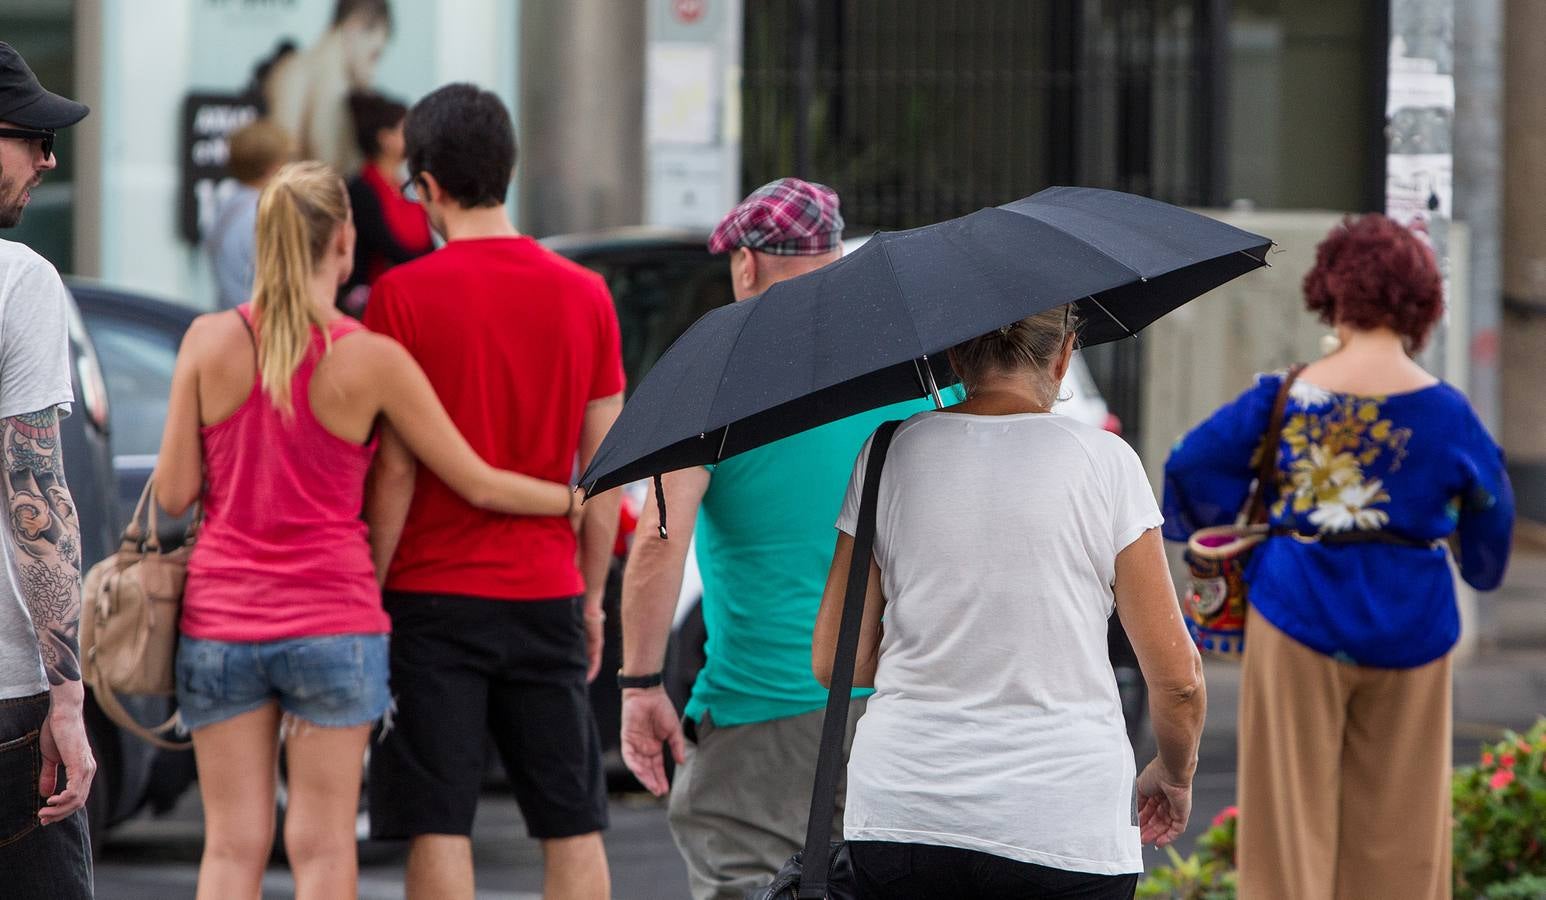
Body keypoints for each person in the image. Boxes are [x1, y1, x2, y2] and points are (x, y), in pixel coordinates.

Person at [155, 161, 577, 900]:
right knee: (322, 851)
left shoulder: (206, 340)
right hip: (335, 624)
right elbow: (471, 477)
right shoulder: (371, 358)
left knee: (229, 849)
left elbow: (175, 492)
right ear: (344, 241)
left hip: (221, 625)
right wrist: (569, 502)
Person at [1164, 213, 1514, 899]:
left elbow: (1191, 464)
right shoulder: (1447, 410)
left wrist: (1253, 516)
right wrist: (1461, 547)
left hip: (1296, 610)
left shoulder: (1290, 395)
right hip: (1413, 618)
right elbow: (1493, 514)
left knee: (1287, 822)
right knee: (1403, 828)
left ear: (1331, 292)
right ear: (1422, 303)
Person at [814, 305, 1206, 899]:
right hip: (1062, 822)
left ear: (953, 356)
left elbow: (835, 660)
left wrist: (941, 649)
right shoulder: (1106, 463)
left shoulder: (888, 451)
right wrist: (1174, 774)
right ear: (1064, 355)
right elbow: (1177, 680)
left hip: (903, 813)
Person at [619, 178, 938, 900]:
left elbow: (662, 539)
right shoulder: (914, 370)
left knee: (747, 880)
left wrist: (641, 684)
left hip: (763, 712)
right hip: (904, 700)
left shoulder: (712, 379)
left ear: (746, 264)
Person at [362, 84, 623, 900]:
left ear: (430, 184)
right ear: (505, 169)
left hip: (431, 597)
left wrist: (368, 591)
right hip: (546, 588)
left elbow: (397, 469)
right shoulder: (587, 294)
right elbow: (605, 473)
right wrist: (590, 600)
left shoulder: (400, 298)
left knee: (441, 819)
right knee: (570, 820)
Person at [0, 40, 95, 900]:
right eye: (32, 136)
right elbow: (34, 490)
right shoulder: (18, 281)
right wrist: (67, 697)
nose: (46, 158)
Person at [264, 0, 393, 173]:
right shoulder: (297, 74)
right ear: (355, 26)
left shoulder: (343, 85)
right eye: (374, 55)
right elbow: (280, 158)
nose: (372, 72)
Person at [338, 90, 431, 316]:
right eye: (404, 130)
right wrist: (433, 266)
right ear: (384, 138)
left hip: (412, 290)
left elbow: (427, 242)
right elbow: (388, 246)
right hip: (374, 299)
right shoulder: (361, 189)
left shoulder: (406, 186)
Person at [205, 118, 293, 310]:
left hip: (232, 321)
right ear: (274, 167)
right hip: (257, 327)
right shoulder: (264, 215)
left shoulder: (226, 207)